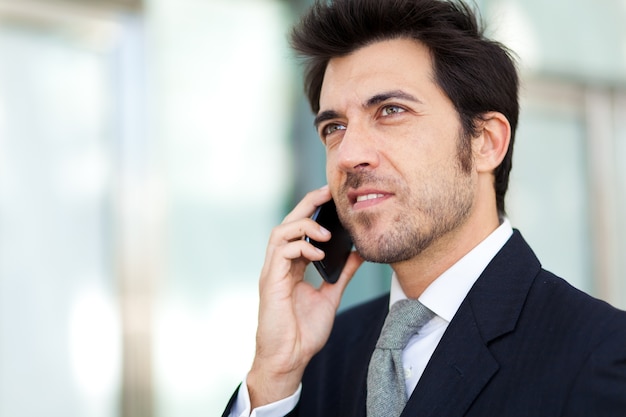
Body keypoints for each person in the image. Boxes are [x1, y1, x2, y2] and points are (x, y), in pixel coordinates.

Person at [223, 0, 626, 416]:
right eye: (334, 128)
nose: (348, 155)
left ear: (486, 142)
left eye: (391, 111)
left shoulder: (601, 357)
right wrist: (272, 375)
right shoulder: (318, 355)